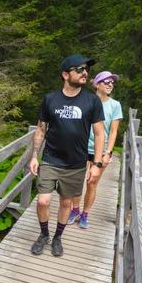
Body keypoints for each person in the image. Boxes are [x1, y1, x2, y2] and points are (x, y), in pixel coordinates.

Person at [28, 54, 105, 257]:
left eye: (86, 69)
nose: (84, 73)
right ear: (65, 74)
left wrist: (96, 164)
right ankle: (44, 234)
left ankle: (57, 237)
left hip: (76, 164)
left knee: (65, 203)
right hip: (51, 159)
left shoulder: (92, 101)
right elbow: (41, 129)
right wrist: (34, 155)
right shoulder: (50, 99)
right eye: (79, 69)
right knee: (43, 201)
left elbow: (99, 133)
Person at [66, 70, 123, 229]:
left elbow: (113, 132)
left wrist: (108, 153)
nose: (110, 84)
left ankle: (85, 214)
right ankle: (74, 210)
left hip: (100, 151)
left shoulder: (115, 105)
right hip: (80, 148)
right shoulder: (85, 101)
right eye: (107, 82)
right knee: (76, 181)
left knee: (92, 183)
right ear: (97, 84)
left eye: (112, 82)